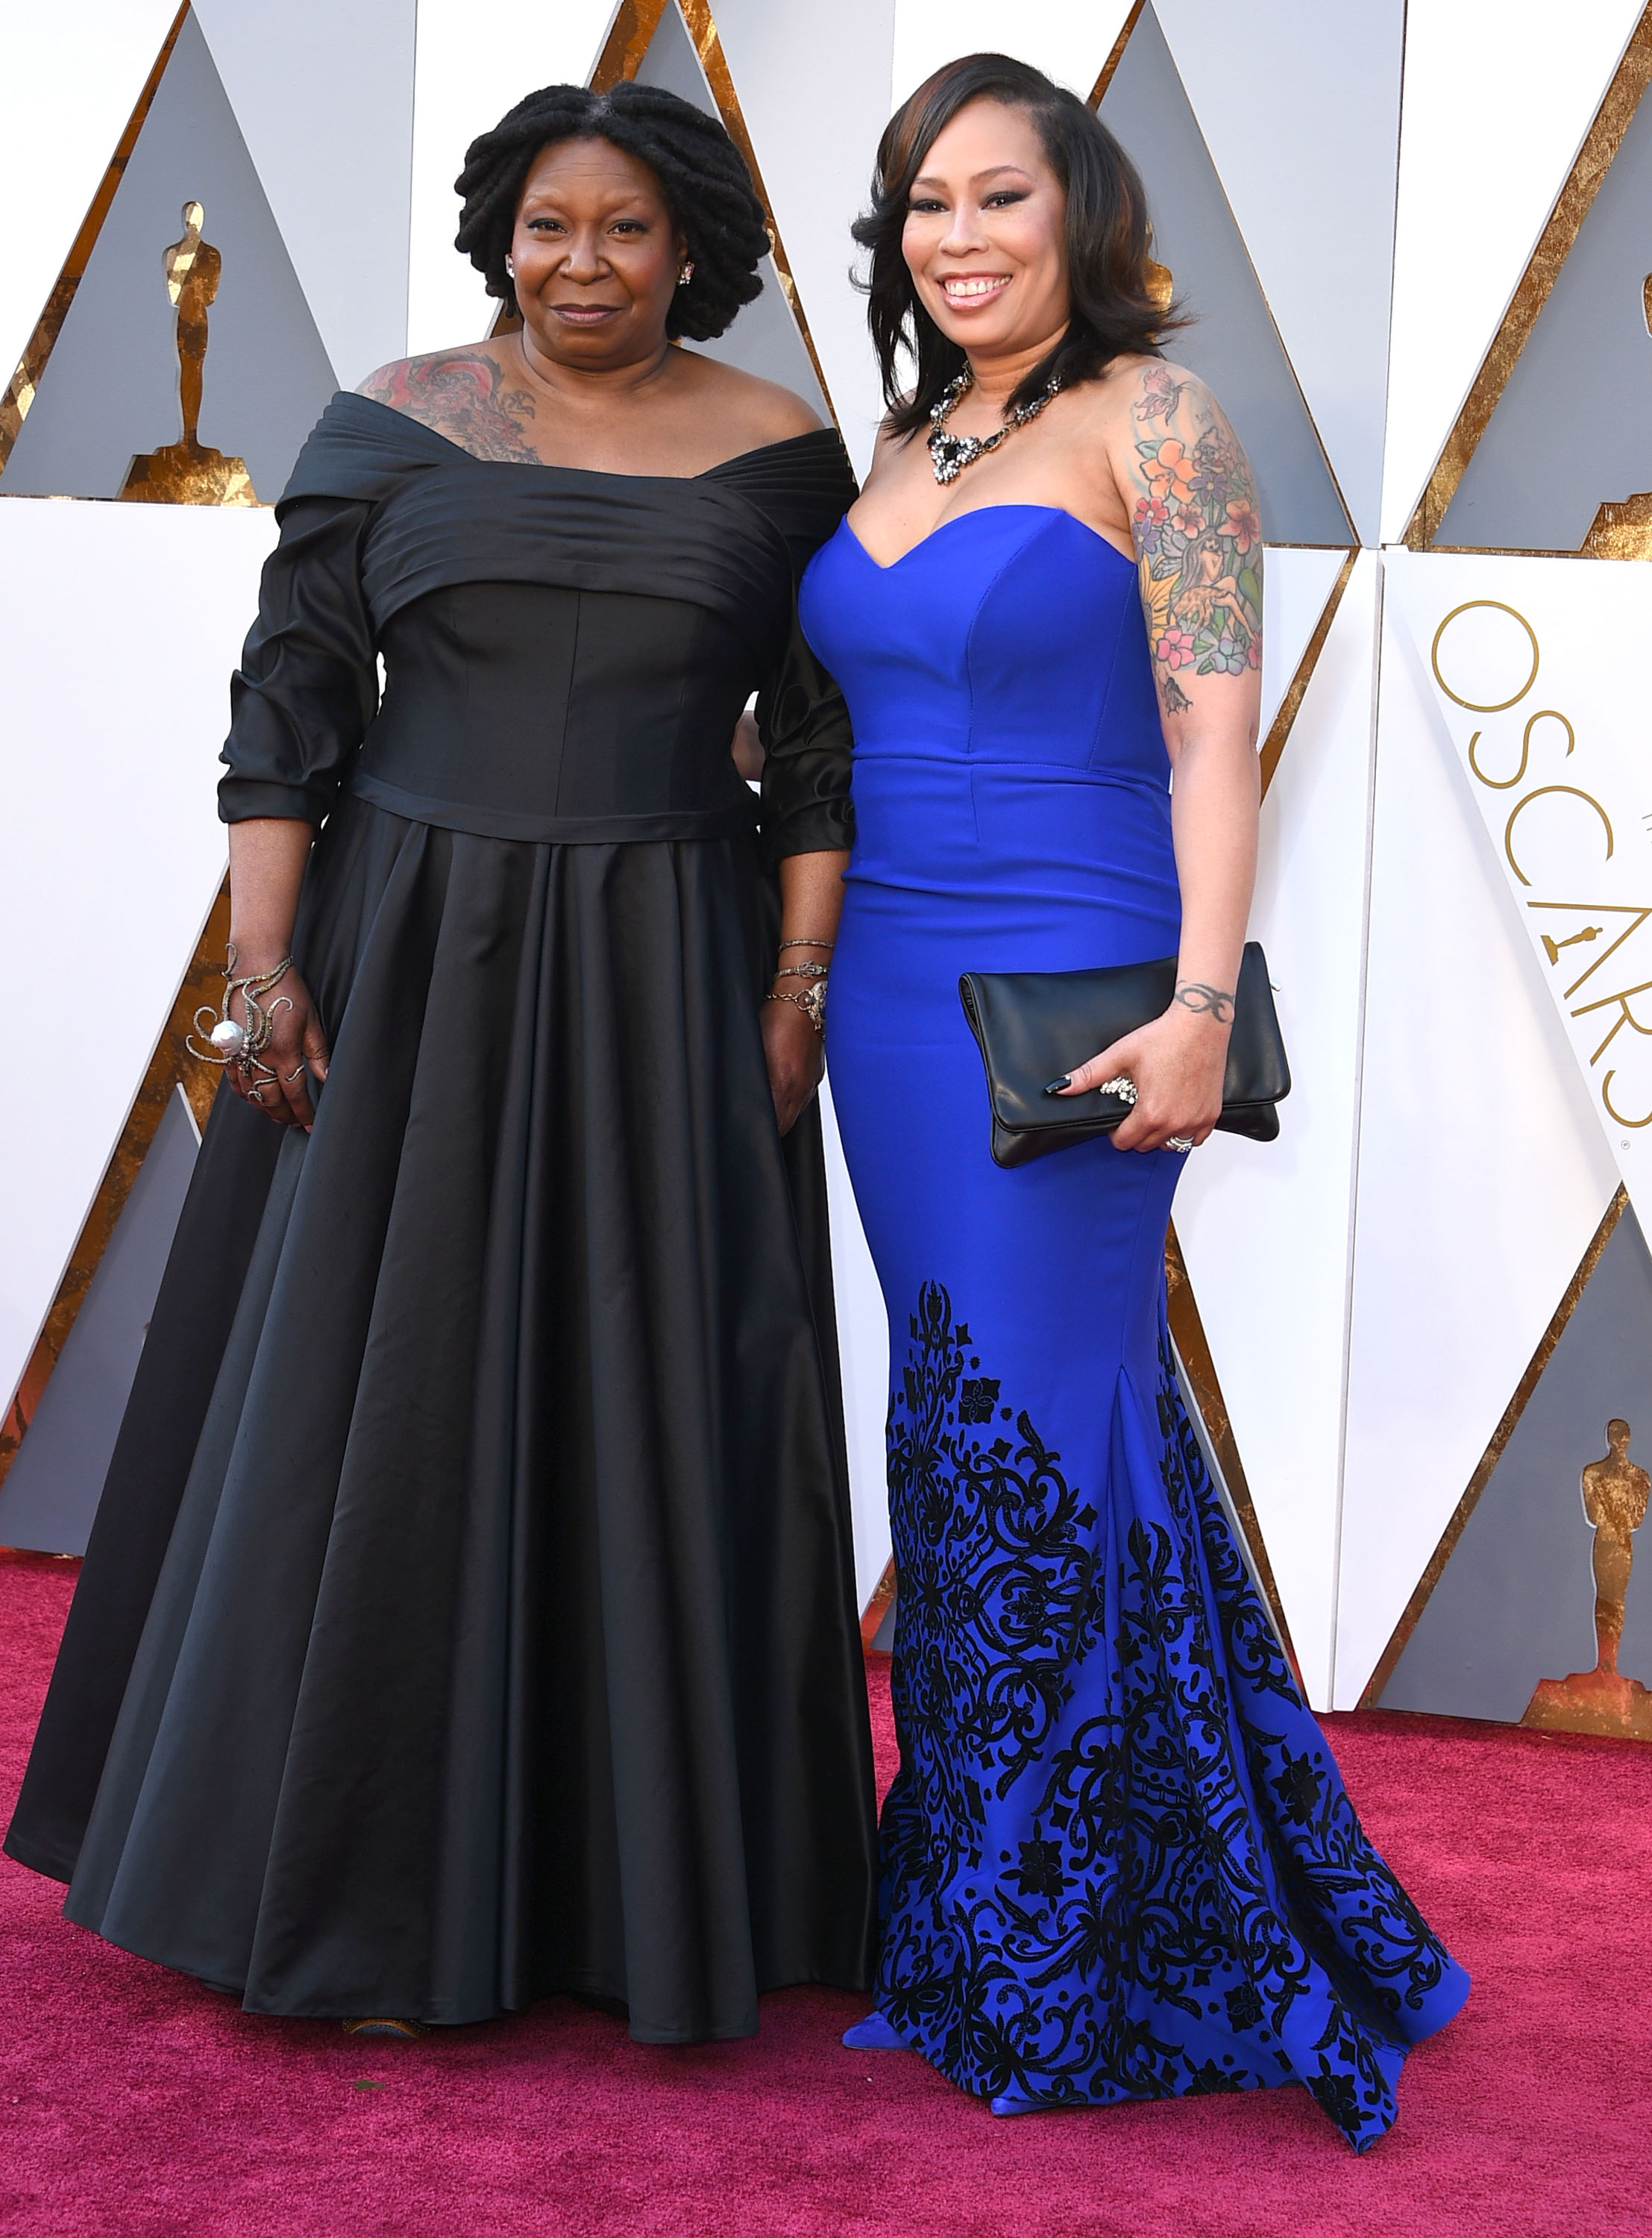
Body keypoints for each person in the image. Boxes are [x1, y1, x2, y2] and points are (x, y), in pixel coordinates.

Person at [5, 79, 876, 2043]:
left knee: (659, 1385)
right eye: (550, 225)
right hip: (410, 956)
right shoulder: (391, 420)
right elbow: (289, 710)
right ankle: (344, 1892)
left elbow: (818, 749)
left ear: (696, 252)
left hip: (675, 956)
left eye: (629, 230)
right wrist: (268, 966)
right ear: (503, 233)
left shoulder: (787, 457)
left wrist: (799, 980)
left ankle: (638, 1893)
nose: (584, 262)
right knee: (374, 1395)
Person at [797, 54, 1468, 2151]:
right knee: (998, 1434)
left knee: (1022, 1459)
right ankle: (1065, 1895)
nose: (959, 234)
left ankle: (1047, 1948)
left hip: (1083, 998)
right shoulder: (905, 436)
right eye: (924, 201)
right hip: (897, 1004)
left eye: (1002, 194)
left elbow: (1211, 740)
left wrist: (1202, 1004)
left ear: (1082, 215)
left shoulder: (1159, 425)